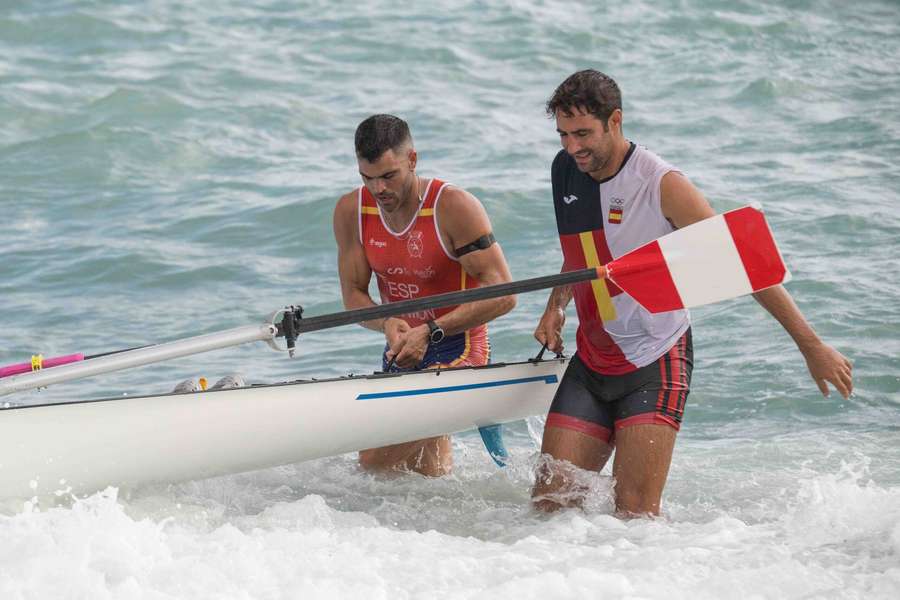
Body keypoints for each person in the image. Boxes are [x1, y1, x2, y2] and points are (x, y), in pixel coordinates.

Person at [531, 70, 853, 517]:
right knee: (549, 506)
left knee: (635, 518)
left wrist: (810, 344)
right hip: (592, 358)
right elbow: (580, 251)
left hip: (654, 359)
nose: (572, 147)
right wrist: (556, 307)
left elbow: (742, 266)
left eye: (583, 133)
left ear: (616, 120)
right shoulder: (565, 169)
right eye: (564, 135)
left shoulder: (661, 184)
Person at [333, 114, 516, 477]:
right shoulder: (350, 212)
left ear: (412, 161)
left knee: (373, 460)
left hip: (460, 348)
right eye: (367, 178)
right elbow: (353, 295)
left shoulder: (454, 207)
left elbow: (505, 295)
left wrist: (430, 329)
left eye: (389, 176)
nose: (379, 189)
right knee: (418, 479)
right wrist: (386, 322)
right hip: (401, 349)